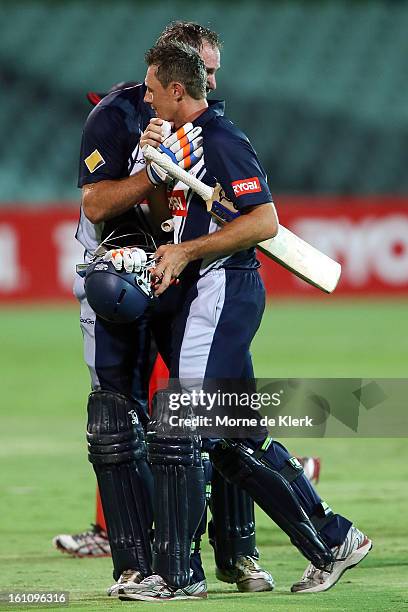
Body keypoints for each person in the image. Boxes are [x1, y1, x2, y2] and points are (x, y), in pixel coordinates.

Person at [111, 40, 372, 602]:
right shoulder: (177, 140)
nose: (146, 96)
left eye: (153, 89)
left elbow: (264, 222)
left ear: (176, 90)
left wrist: (185, 252)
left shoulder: (222, 139)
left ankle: (177, 577)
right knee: (236, 439)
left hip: (222, 287)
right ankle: (335, 540)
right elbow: (171, 220)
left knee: (180, 427)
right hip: (204, 289)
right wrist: (152, 171)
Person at [54, 22, 275, 597]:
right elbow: (98, 205)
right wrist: (149, 168)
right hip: (118, 279)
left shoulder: (210, 127)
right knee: (114, 419)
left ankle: (237, 553)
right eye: (205, 68)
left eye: (215, 71)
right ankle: (136, 562)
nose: (214, 81)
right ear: (176, 77)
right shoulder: (113, 115)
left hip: (186, 281)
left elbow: (232, 211)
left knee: (217, 413)